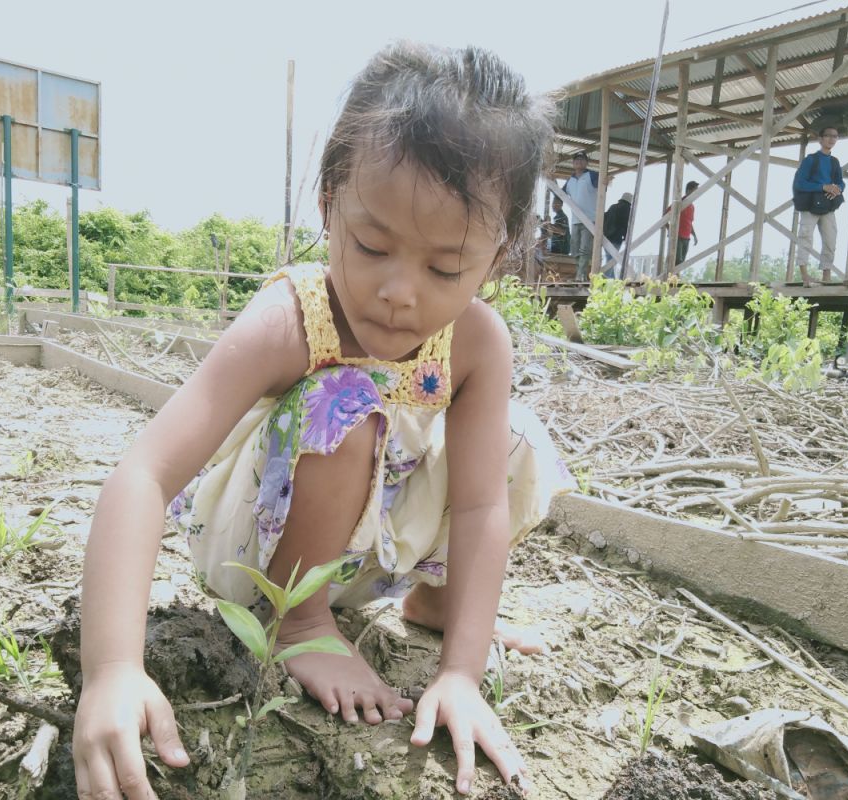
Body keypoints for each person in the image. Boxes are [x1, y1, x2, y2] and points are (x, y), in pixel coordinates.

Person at [72, 42, 573, 800]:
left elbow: (476, 505)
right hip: (263, 553)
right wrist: (112, 670)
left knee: (517, 440)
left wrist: (463, 671)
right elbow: (142, 475)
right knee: (349, 400)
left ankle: (433, 607)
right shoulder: (291, 319)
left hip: (370, 553)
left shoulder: (476, 342)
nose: (400, 292)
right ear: (330, 202)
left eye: (445, 268)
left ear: (496, 258)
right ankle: (301, 624)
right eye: (372, 246)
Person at [793, 126, 845, 278]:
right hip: (810, 205)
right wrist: (823, 187)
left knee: (830, 240)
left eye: (835, 136)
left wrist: (837, 189)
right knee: (806, 237)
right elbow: (800, 183)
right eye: (828, 135)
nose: (831, 139)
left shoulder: (835, 161)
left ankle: (826, 275)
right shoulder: (811, 160)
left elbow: (841, 183)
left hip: (828, 206)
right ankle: (804, 274)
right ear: (820, 139)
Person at [562, 151, 599, 282]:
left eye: (581, 159)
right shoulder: (570, 180)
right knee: (575, 248)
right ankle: (579, 273)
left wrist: (605, 181)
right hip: (575, 220)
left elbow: (603, 186)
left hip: (589, 219)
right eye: (576, 160)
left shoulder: (592, 175)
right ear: (573, 163)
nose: (578, 161)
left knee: (584, 249)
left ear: (586, 162)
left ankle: (581, 275)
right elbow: (560, 194)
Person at [600, 192, 633, 277]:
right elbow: (626, 225)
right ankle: (604, 278)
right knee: (611, 260)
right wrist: (626, 238)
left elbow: (604, 217)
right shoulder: (626, 209)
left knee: (610, 259)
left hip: (606, 237)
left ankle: (611, 279)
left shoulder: (612, 207)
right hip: (616, 238)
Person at [670, 182, 699, 267]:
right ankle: (671, 279)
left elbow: (689, 222)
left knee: (681, 263)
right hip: (677, 237)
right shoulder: (680, 202)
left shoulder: (692, 206)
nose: (697, 193)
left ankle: (676, 279)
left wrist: (694, 235)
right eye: (695, 191)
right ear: (688, 191)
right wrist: (670, 230)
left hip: (687, 238)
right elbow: (665, 215)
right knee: (677, 261)